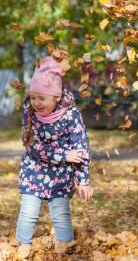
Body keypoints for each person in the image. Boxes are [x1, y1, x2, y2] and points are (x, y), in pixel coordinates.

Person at [15, 56, 94, 259]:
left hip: (60, 175)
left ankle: (66, 248)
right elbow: (32, 145)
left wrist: (83, 180)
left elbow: (80, 147)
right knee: (29, 211)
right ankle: (22, 246)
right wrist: (64, 154)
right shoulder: (29, 111)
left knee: (60, 214)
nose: (36, 103)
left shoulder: (71, 115)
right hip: (34, 169)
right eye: (33, 97)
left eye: (42, 98)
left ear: (56, 96)